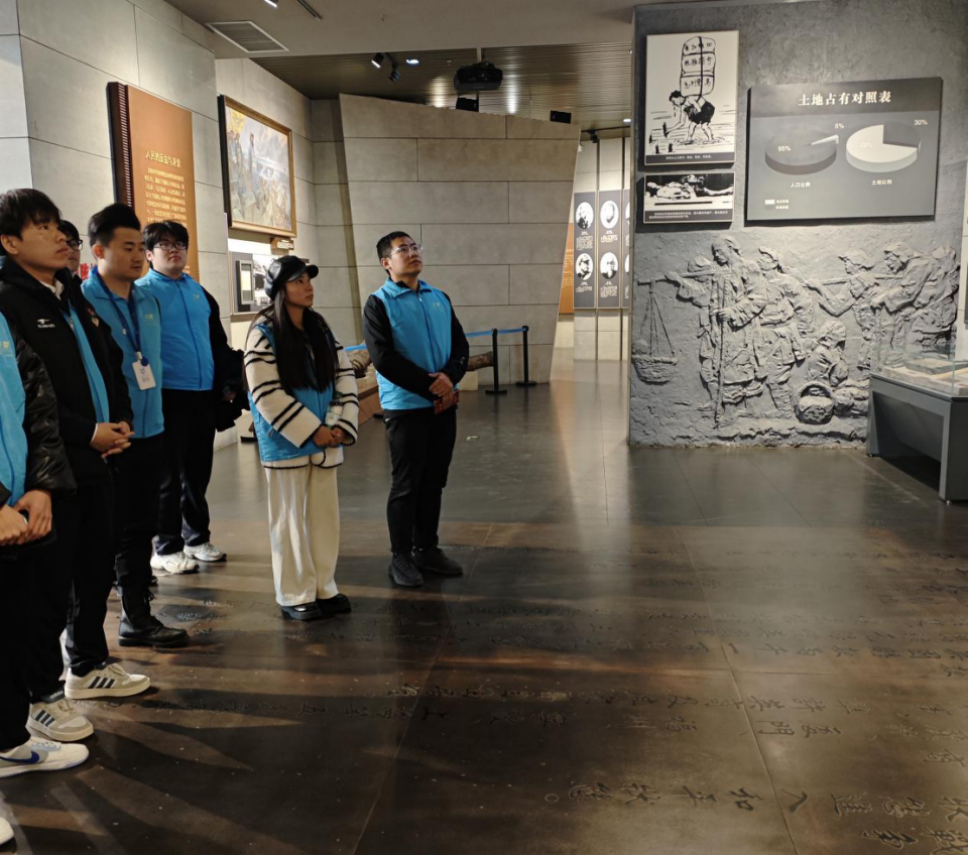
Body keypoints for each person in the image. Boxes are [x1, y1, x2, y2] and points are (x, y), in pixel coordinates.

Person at [0, 189, 148, 743]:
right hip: (50, 468)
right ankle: (42, 694)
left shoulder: (69, 295)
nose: (61, 236)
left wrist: (118, 423)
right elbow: (30, 400)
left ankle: (88, 664)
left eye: (60, 227)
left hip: (96, 457)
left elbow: (109, 363)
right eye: (43, 228)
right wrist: (87, 432)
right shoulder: (10, 302)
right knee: (47, 588)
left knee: (92, 570)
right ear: (10, 243)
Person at [81, 204, 188, 649]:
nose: (137, 255)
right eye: (126, 247)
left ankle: (137, 614)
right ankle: (87, 642)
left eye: (139, 247)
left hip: (152, 429)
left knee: (142, 527)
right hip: (109, 438)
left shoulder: (147, 299)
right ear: (99, 250)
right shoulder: (82, 302)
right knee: (107, 533)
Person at [0, 310, 87, 808]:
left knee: (13, 633)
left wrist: (42, 484)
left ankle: (8, 741)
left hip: (18, 508)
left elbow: (37, 398)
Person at [244, 256, 359, 620]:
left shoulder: (319, 326)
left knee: (324, 517)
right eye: (297, 281)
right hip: (286, 443)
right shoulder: (263, 331)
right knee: (289, 518)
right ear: (279, 289)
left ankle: (324, 586)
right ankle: (295, 593)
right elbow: (265, 392)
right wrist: (313, 429)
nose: (307, 287)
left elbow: (342, 374)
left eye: (308, 279)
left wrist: (339, 423)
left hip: (327, 439)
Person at [363, 233, 469, 588]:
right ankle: (401, 556)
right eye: (402, 250)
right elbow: (383, 358)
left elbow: (461, 345)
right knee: (407, 484)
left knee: (434, 480)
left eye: (415, 247)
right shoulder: (378, 303)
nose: (412, 253)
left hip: (443, 404)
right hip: (406, 407)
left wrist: (449, 378)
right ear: (386, 263)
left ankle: (427, 548)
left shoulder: (439, 297)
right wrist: (432, 386)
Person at [138, 221, 239, 573]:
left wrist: (227, 382)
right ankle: (166, 547)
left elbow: (217, 342)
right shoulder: (141, 292)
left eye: (179, 243)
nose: (174, 249)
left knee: (198, 473)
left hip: (202, 395)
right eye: (164, 244)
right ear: (149, 254)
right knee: (167, 477)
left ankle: (196, 538)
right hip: (166, 396)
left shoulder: (198, 291)